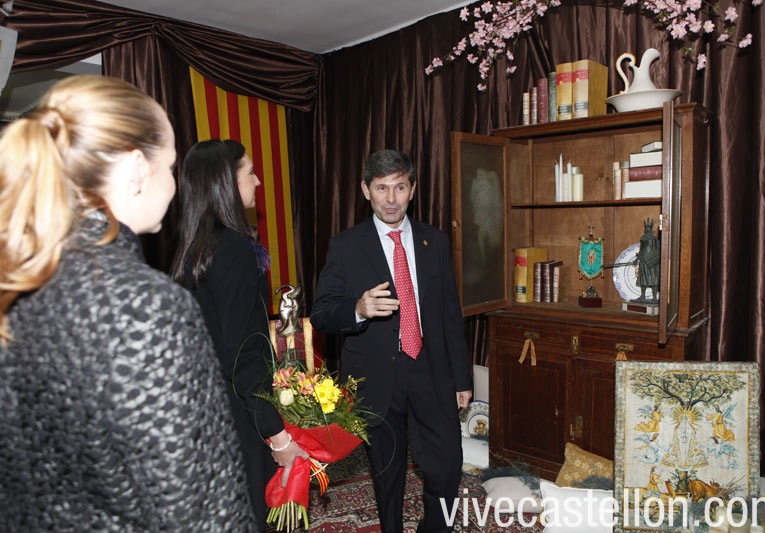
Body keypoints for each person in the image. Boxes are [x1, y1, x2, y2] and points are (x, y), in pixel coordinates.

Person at [0, 75, 256, 530]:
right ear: (138, 168)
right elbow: (200, 505)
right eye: (170, 167)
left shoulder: (16, 283)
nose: (175, 188)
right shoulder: (147, 307)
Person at [311, 149, 473, 532]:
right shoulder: (346, 246)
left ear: (412, 189)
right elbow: (321, 314)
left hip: (430, 370)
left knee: (447, 465)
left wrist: (462, 378)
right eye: (381, 188)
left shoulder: (435, 241)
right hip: (376, 376)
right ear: (365, 190)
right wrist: (358, 309)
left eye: (399, 187)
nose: (391, 199)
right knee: (388, 474)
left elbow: (450, 314)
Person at [170, 139, 307, 527]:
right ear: (226, 183)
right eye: (250, 172)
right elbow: (242, 355)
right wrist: (277, 435)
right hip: (237, 415)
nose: (258, 181)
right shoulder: (232, 248)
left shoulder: (195, 245)